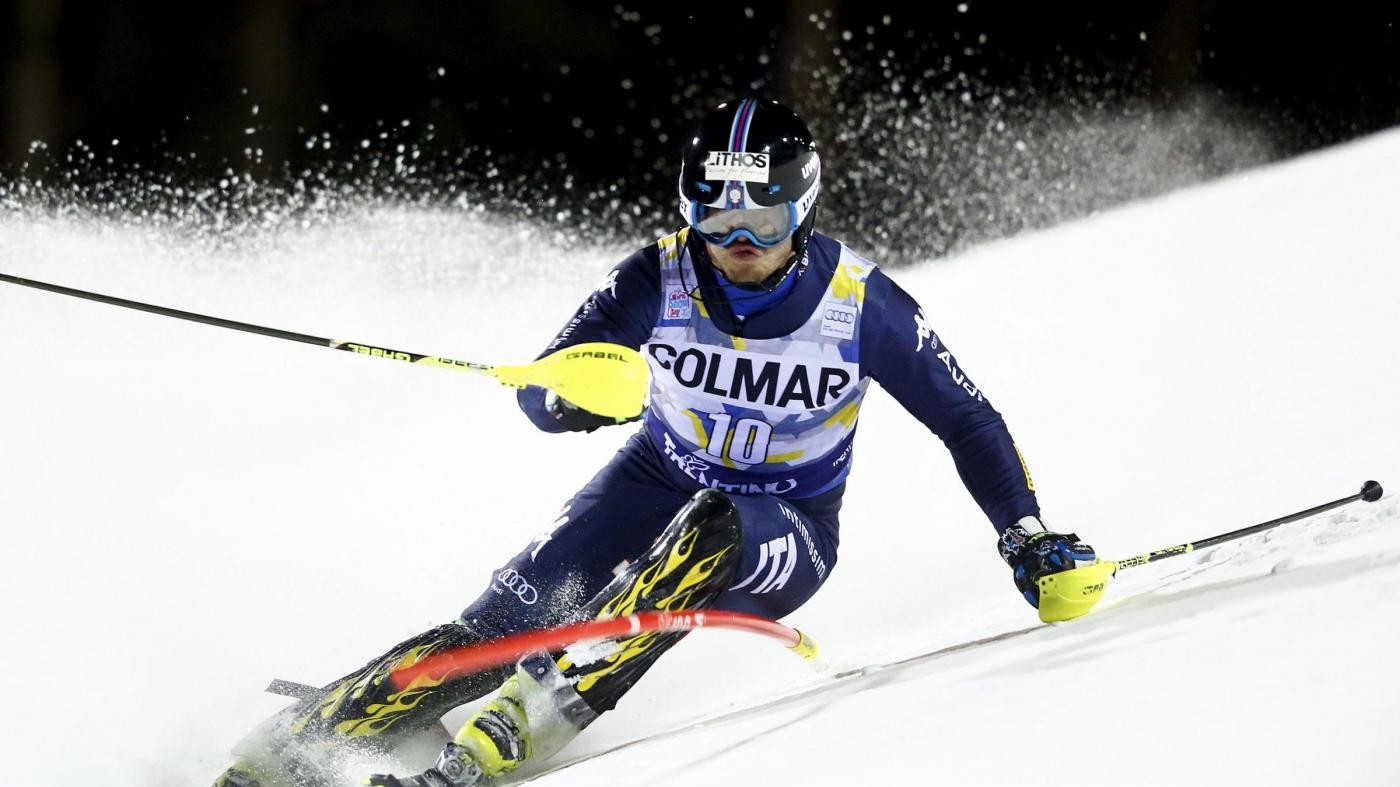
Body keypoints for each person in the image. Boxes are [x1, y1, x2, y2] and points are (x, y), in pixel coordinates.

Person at [213, 98, 1097, 787]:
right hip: (651, 478)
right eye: (716, 220)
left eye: (764, 222)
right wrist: (576, 399)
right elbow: (544, 396)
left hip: (783, 526)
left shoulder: (861, 305)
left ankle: (529, 712)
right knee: (495, 626)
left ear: (805, 209)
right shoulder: (655, 277)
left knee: (710, 524)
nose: (738, 244)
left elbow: (968, 419)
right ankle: (306, 741)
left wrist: (1025, 533)